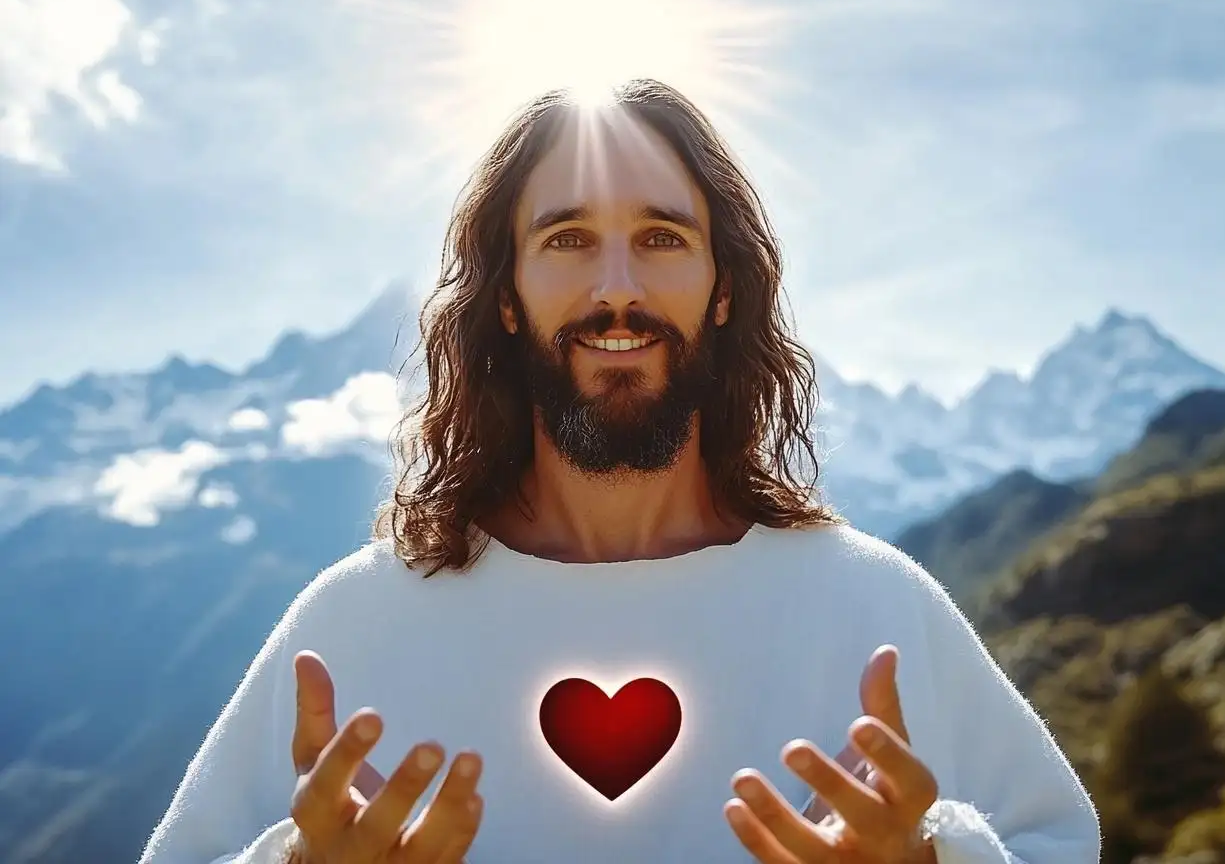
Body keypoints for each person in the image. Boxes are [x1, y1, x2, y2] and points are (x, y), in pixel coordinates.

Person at [140, 81, 1098, 864]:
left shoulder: (876, 608)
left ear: (723, 291)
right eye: (565, 241)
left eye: (662, 239)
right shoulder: (353, 624)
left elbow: (1057, 842)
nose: (617, 291)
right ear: (506, 298)